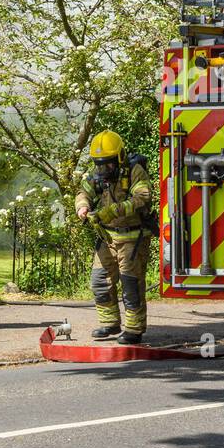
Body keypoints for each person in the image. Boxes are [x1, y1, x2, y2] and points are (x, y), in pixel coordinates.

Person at [75, 130, 154, 345]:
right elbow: (83, 193)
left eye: (108, 164)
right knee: (100, 280)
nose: (103, 169)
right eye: (99, 164)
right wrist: (82, 207)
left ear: (119, 158)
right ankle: (109, 323)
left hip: (132, 237)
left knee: (130, 283)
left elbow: (143, 198)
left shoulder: (134, 172)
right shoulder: (97, 174)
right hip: (107, 237)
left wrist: (114, 211)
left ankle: (134, 329)